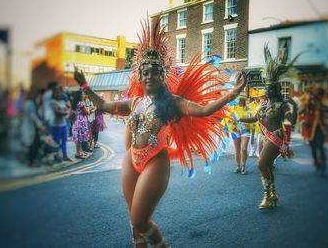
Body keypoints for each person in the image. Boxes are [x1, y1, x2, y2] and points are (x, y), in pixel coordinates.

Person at [73, 16, 247, 247]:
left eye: (154, 72)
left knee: (140, 219)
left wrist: (231, 94)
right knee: (133, 221)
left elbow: (204, 111)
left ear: (162, 75)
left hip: (156, 160)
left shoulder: (172, 102)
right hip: (132, 160)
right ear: (140, 75)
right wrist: (85, 86)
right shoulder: (134, 103)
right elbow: (104, 106)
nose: (149, 76)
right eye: (145, 72)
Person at [239, 45, 299, 209]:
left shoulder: (283, 104)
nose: (267, 90)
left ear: (276, 89)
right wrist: (239, 118)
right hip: (264, 138)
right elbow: (253, 118)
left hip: (276, 137)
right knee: (266, 165)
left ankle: (267, 196)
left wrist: (289, 118)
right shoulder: (264, 106)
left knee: (260, 163)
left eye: (270, 88)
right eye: (267, 88)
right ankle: (272, 195)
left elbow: (290, 120)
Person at [298, 85, 328, 176]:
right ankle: (316, 164)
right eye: (314, 94)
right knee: (313, 147)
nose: (316, 96)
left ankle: (323, 166)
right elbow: (300, 112)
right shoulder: (308, 103)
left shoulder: (324, 102)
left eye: (318, 94)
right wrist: (306, 103)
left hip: (320, 128)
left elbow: (327, 114)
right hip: (310, 128)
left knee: (320, 146)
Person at [50, 86, 72, 162]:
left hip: (63, 124)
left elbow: (67, 109)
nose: (58, 94)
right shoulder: (52, 101)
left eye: (59, 92)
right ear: (54, 93)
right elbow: (57, 112)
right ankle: (57, 156)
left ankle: (65, 156)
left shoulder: (62, 101)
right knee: (56, 141)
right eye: (57, 92)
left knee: (64, 141)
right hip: (55, 125)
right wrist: (64, 111)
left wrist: (63, 111)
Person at [71, 89, 90, 159]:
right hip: (81, 121)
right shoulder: (81, 103)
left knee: (78, 138)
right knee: (79, 139)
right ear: (80, 95)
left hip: (76, 121)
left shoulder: (74, 103)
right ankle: (78, 154)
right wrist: (88, 109)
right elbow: (86, 113)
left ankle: (79, 152)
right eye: (83, 94)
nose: (84, 95)